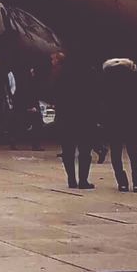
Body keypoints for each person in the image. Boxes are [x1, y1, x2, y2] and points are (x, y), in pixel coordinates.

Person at [49, 50, 96, 189]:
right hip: (85, 117)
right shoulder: (90, 73)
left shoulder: (60, 74)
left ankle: (71, 180)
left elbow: (53, 93)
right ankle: (83, 180)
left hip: (65, 117)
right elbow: (95, 96)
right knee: (85, 151)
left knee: (68, 151)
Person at [100, 58, 137, 193]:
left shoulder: (106, 82)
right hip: (131, 120)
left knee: (116, 152)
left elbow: (103, 102)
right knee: (134, 153)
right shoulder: (134, 81)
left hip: (113, 121)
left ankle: (122, 183)